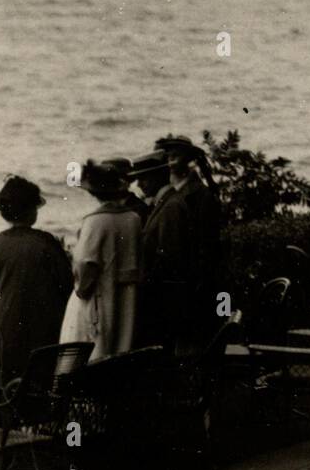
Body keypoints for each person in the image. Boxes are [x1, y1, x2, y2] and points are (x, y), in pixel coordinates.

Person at [0, 176, 73, 395]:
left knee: (6, 392)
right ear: (32, 210)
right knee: (38, 391)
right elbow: (67, 286)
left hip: (3, 325)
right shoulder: (46, 243)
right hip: (40, 326)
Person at [59, 159, 142, 361]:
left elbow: (84, 263)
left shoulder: (94, 221)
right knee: (122, 342)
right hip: (128, 293)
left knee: (91, 347)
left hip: (98, 295)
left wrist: (81, 287)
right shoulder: (133, 218)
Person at [155, 135, 226, 355]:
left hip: (192, 290)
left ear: (187, 159)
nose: (169, 160)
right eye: (165, 155)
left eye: (174, 155)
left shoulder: (200, 196)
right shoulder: (170, 193)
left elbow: (206, 249)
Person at [130, 147, 189, 351]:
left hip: (162, 301)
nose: (139, 184)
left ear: (157, 177)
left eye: (143, 179)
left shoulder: (171, 207)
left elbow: (170, 258)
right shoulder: (166, 203)